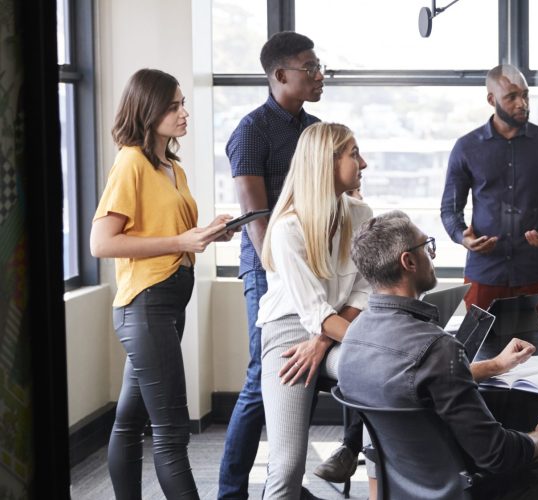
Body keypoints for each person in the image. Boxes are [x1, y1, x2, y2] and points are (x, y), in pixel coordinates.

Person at [339, 211, 538, 500]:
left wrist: (494, 366)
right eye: (426, 247)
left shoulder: (354, 338)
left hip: (409, 486)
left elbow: (416, 384)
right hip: (475, 487)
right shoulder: (437, 348)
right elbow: (496, 455)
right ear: (409, 261)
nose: (432, 255)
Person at [218, 31, 363, 497]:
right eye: (311, 67)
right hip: (272, 264)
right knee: (263, 376)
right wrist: (285, 267)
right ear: (280, 75)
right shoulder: (252, 131)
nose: (320, 75)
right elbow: (260, 217)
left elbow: (343, 205)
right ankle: (231, 489)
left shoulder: (314, 128)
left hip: (316, 264)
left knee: (345, 347)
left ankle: (342, 450)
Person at [91, 68, 236, 499]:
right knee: (172, 432)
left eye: (182, 103)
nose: (183, 113)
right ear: (148, 109)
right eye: (173, 106)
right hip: (145, 306)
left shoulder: (171, 167)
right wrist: (180, 240)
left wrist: (209, 233)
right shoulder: (130, 162)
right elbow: (102, 242)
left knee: (129, 421)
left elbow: (175, 235)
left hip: (169, 303)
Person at [256, 122, 372, 498]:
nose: (364, 163)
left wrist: (323, 342)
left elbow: (362, 292)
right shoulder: (287, 229)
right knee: (287, 466)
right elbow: (311, 312)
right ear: (328, 160)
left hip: (337, 330)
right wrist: (372, 342)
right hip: (288, 333)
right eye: (354, 153)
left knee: (382, 374)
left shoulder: (360, 214)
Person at [440, 63, 538, 317]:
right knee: (483, 352)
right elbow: (450, 209)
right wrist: (464, 238)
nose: (522, 103)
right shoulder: (466, 148)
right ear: (491, 99)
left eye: (525, 95)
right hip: (485, 275)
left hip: (536, 272)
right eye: (511, 97)